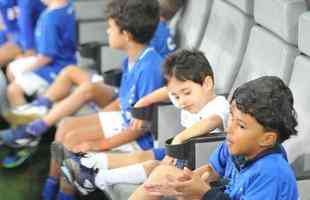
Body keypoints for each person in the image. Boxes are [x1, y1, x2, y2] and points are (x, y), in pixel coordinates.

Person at [58, 49, 230, 197]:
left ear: (207, 83)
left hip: (203, 164)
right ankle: (87, 165)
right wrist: (144, 100)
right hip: (181, 154)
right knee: (141, 157)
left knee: (151, 166)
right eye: (176, 96)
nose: (181, 101)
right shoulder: (185, 96)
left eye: (186, 93)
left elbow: (211, 122)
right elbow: (167, 91)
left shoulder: (219, 104)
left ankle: (96, 178)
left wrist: (179, 139)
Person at [40, 0, 164, 199]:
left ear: (127, 34)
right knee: (65, 126)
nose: (107, 32)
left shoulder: (150, 68)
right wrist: (97, 118)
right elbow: (123, 101)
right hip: (123, 121)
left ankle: (64, 194)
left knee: (72, 141)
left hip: (139, 139)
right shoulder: (131, 58)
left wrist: (99, 144)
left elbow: (141, 127)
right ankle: (51, 183)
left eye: (111, 27)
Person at [128, 76, 299, 200]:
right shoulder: (235, 145)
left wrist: (204, 192)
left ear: (267, 139)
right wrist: (186, 183)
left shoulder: (271, 173)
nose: (229, 129)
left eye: (241, 126)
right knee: (162, 174)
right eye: (231, 117)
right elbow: (212, 170)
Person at [5, 0, 76, 108]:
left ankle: (30, 121)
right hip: (65, 60)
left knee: (13, 90)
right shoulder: (69, 7)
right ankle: (32, 106)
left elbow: (47, 57)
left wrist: (26, 69)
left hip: (56, 67)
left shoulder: (51, 18)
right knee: (12, 68)